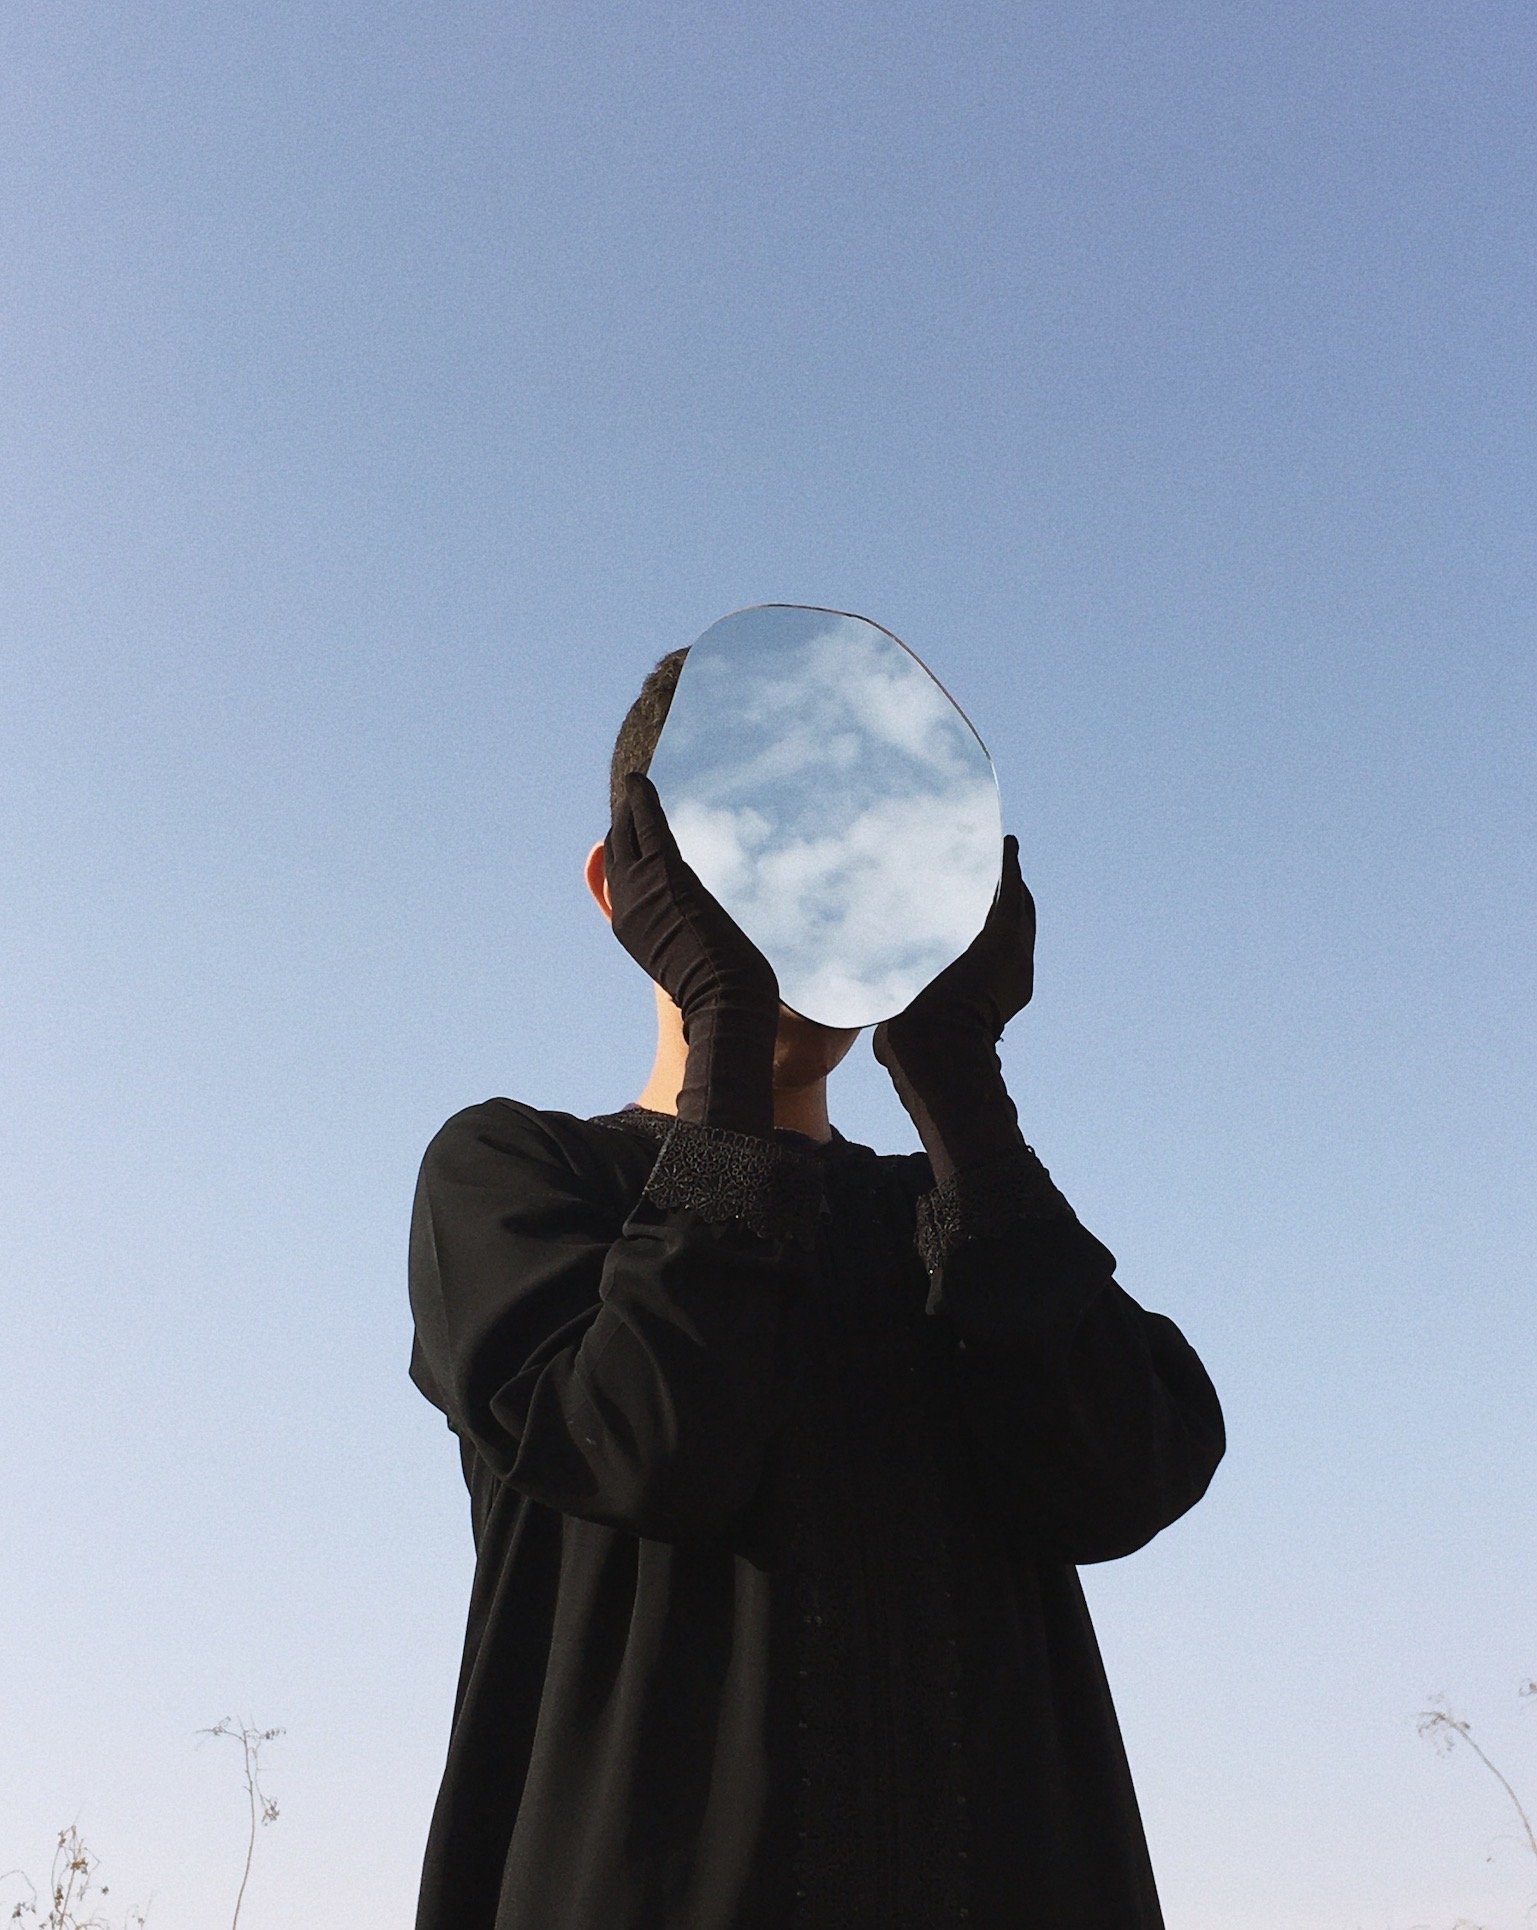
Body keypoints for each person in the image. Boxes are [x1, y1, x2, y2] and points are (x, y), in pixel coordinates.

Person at [406, 647, 1226, 1930]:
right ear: (626, 888)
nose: (803, 914)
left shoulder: (954, 1219)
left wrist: (958, 1081)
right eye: (752, 860)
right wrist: (725, 1022)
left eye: (860, 866)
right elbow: (649, 1440)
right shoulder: (517, 1173)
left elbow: (1126, 1471)